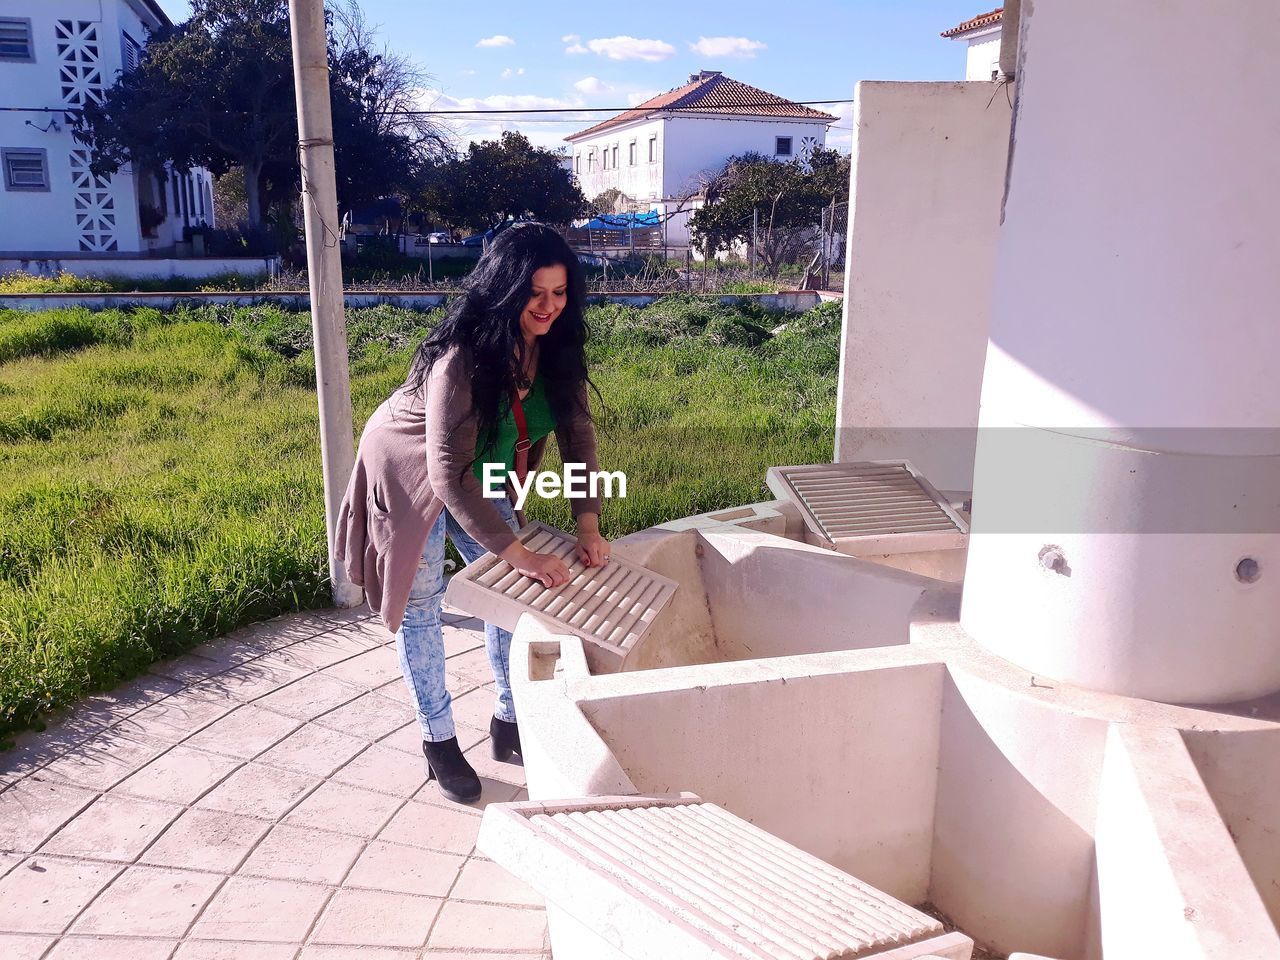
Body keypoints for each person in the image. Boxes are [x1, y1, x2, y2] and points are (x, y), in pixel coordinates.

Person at [336, 223, 611, 804]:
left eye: (559, 293)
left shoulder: (558, 350)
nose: (548, 306)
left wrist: (588, 525)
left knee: (509, 594)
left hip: (476, 464)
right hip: (411, 466)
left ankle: (508, 721)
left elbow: (578, 439)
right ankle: (438, 742)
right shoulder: (460, 360)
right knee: (423, 602)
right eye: (534, 293)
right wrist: (518, 551)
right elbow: (444, 470)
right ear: (504, 289)